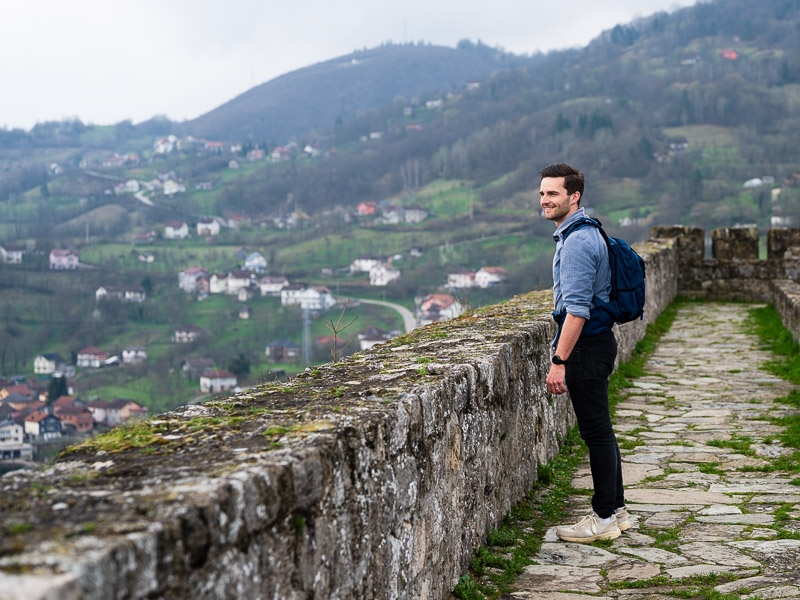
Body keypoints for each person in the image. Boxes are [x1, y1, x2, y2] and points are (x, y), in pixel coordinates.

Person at [539, 163, 629, 543]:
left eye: (553, 193)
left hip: (586, 348)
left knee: (596, 433)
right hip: (597, 342)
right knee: (602, 432)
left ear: (573, 197)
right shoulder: (587, 231)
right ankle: (618, 511)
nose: (545, 200)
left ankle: (603, 517)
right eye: (542, 193)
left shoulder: (576, 241)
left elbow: (576, 310)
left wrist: (559, 361)